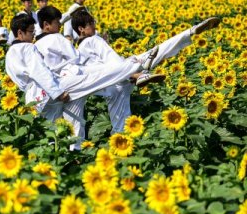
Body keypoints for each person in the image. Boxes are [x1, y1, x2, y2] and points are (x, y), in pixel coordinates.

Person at [6, 14, 161, 148]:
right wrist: (57, 92)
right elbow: (39, 71)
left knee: (54, 132)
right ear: (20, 32)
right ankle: (134, 68)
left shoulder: (10, 54)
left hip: (36, 100)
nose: (33, 36)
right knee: (92, 79)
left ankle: (70, 154)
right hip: (48, 90)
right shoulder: (27, 48)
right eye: (31, 32)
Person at [73, 10, 221, 132]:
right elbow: (111, 60)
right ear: (81, 29)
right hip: (123, 74)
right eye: (91, 24)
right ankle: (190, 32)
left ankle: (138, 74)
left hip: (111, 85)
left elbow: (97, 69)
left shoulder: (79, 51)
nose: (95, 26)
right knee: (157, 51)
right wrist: (130, 71)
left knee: (121, 125)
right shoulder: (92, 40)